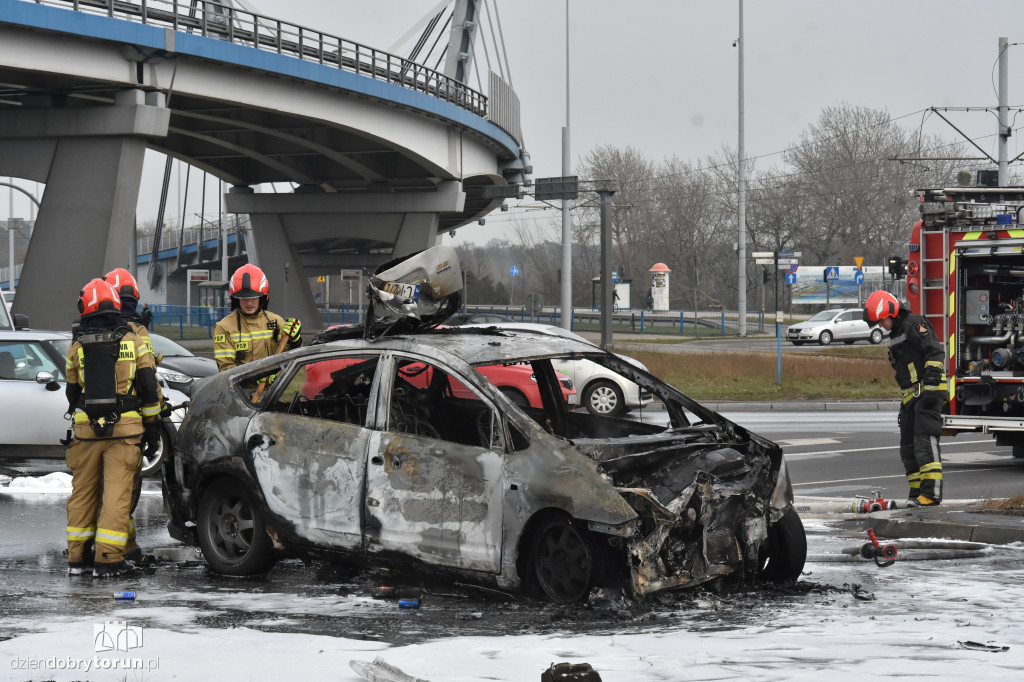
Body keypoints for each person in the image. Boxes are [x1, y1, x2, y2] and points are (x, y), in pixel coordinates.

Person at [64, 279, 162, 577]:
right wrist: (153, 428)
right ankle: (108, 560)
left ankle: (77, 560)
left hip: (85, 432)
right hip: (125, 432)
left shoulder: (77, 345)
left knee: (82, 495)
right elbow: (148, 386)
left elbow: (71, 393)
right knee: (116, 496)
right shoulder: (132, 340)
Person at [863, 290, 946, 507]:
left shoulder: (914, 324)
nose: (881, 326)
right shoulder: (897, 333)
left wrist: (930, 387)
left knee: (924, 442)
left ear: (890, 312)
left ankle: (930, 494)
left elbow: (935, 353)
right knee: (908, 447)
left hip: (928, 392)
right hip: (912, 396)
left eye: (881, 321)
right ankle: (916, 493)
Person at [103, 268, 164, 564]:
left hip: (91, 425)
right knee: (124, 490)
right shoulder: (137, 334)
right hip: (129, 424)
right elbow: (148, 381)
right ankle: (123, 549)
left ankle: (86, 549)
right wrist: (154, 425)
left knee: (96, 489)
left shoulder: (86, 331)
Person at [213, 264, 302, 372]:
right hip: (240, 389)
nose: (249, 303)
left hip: (276, 387)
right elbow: (226, 370)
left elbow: (292, 358)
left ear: (262, 298)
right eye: (244, 299)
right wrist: (255, 377)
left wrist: (295, 341)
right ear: (236, 299)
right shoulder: (223, 328)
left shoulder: (277, 321)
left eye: (253, 298)